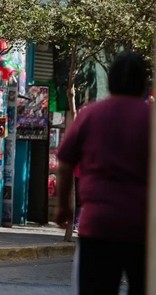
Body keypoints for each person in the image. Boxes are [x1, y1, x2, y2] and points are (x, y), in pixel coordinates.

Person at [54, 52, 150, 295]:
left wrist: (63, 206)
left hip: (98, 225)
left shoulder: (90, 114)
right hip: (144, 228)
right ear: (143, 83)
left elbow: (64, 162)